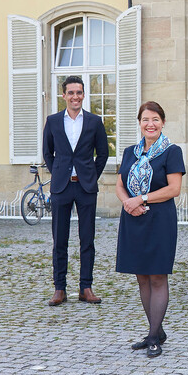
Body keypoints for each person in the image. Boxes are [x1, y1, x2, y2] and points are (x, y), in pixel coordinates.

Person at [115, 102, 185, 358]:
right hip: (133, 219)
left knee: (157, 276)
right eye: (145, 119)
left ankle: (154, 337)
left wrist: (141, 199)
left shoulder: (172, 151)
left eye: (155, 119)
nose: (150, 124)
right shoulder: (129, 152)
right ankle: (156, 329)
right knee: (142, 277)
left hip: (159, 220)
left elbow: (173, 189)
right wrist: (127, 202)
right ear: (140, 123)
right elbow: (119, 184)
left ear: (163, 122)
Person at [42, 75, 109, 306]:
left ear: (83, 95)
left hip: (85, 187)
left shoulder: (94, 121)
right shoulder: (52, 121)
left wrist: (90, 175)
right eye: (71, 93)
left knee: (87, 239)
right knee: (59, 239)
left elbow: (103, 154)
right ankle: (59, 289)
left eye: (79, 92)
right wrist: (59, 173)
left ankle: (86, 287)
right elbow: (47, 153)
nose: (75, 97)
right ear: (64, 96)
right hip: (61, 187)